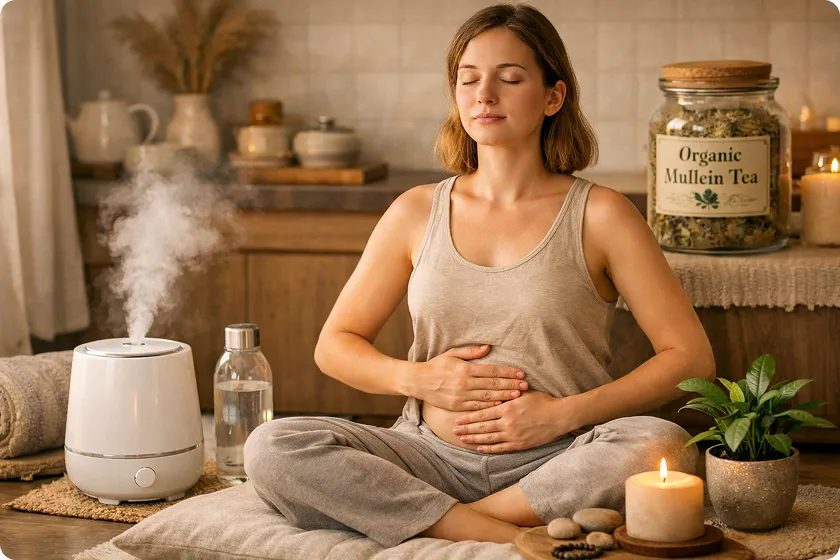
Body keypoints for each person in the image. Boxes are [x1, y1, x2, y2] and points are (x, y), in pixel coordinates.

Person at [244, 2, 715, 547]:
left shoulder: (602, 214)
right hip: (425, 456)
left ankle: (435, 521)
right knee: (272, 446)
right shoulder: (414, 211)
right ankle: (496, 530)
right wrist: (418, 379)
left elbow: (690, 358)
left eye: (509, 78)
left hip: (561, 457)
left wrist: (561, 416)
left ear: (553, 97)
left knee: (662, 444)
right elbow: (334, 346)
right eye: (468, 80)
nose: (484, 95)